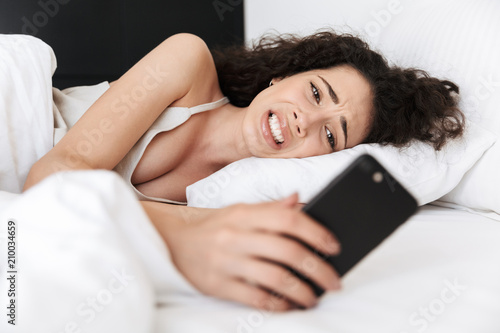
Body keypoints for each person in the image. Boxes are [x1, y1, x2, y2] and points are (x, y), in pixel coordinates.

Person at [23, 30, 465, 311]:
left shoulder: (238, 202)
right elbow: (52, 179)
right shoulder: (188, 62)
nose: (304, 120)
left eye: (331, 136)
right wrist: (187, 230)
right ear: (282, 77)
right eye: (315, 92)